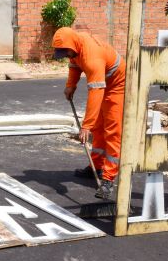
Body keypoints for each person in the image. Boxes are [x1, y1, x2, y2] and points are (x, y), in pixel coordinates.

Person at [52, 27, 125, 200]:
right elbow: (74, 64)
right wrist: (71, 85)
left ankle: (108, 179)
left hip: (116, 84)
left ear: (73, 45)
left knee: (112, 130)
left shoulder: (92, 56)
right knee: (98, 128)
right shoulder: (76, 47)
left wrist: (86, 125)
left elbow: (97, 90)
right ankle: (97, 166)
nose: (66, 55)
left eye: (66, 52)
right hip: (101, 81)